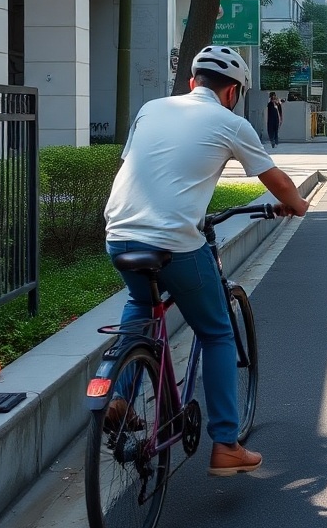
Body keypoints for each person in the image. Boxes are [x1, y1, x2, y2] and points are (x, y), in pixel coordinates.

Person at [104, 46, 309, 475]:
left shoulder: (151, 108)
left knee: (141, 304)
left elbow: (148, 169)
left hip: (120, 236)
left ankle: (120, 394)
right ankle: (226, 444)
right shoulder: (230, 123)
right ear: (232, 91)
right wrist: (297, 205)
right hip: (174, 242)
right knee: (217, 333)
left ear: (193, 81)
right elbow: (280, 183)